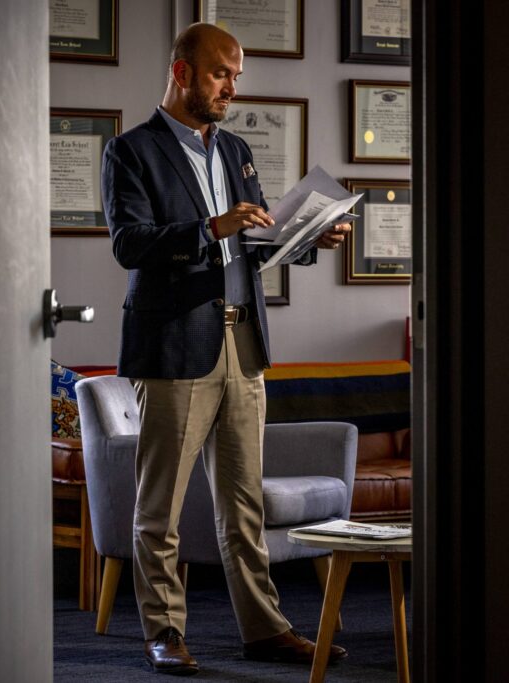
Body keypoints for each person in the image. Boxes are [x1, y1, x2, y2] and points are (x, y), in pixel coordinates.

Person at [100, 22, 351, 676]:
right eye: (220, 75)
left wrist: (305, 238)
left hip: (242, 344)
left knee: (242, 504)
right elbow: (131, 243)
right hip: (173, 346)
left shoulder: (236, 149)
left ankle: (264, 629)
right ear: (183, 73)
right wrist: (213, 227)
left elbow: (255, 241)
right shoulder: (130, 151)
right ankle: (163, 631)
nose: (232, 88)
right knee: (161, 509)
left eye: (236, 76)